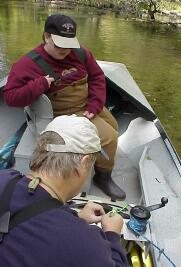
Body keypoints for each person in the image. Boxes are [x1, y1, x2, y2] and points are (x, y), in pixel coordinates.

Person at [3, 13, 126, 200]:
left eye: (69, 45)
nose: (65, 50)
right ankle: (103, 177)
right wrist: (39, 85)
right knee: (109, 137)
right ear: (46, 36)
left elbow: (97, 77)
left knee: (114, 127)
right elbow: (11, 97)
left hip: (87, 105)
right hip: (62, 115)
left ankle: (98, 160)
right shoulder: (26, 64)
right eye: (59, 44)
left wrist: (95, 103)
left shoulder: (81, 53)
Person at [0, 115, 128, 267]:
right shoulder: (86, 245)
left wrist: (76, 216)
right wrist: (112, 235)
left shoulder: (5, 177)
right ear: (84, 162)